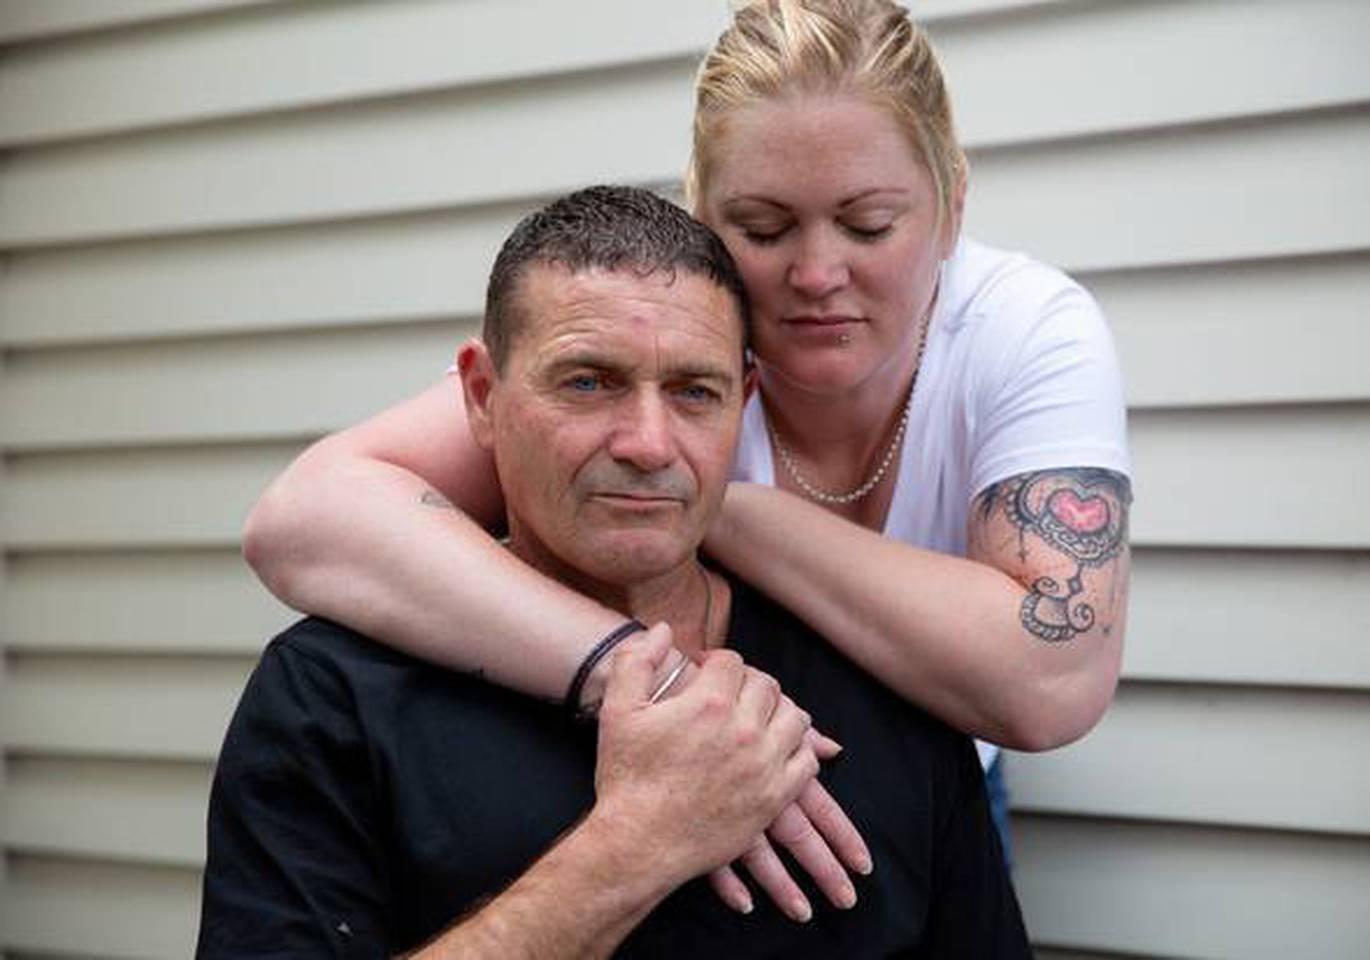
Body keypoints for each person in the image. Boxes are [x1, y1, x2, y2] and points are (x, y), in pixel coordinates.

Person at [243, 0, 1132, 865]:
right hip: (633, 746)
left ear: (953, 204)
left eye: (868, 224)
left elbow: (1051, 683)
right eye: (763, 226)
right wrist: (632, 670)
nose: (817, 273)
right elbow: (302, 520)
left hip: (927, 787)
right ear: (701, 211)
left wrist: (723, 513)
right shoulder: (663, 336)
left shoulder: (1027, 329)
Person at [198, 185, 1030, 957]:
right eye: (589, 382)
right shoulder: (332, 700)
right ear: (482, 397)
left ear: (743, 400)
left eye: (693, 391)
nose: (647, 443)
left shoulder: (878, 681)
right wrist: (634, 844)